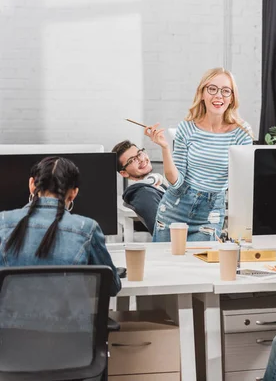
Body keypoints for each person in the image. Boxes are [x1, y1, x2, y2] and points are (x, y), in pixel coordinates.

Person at [145, 67, 253, 242]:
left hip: (210, 213)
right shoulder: (186, 128)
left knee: (201, 267)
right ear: (202, 93)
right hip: (175, 207)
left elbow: (242, 185)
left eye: (226, 91)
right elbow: (176, 183)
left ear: (232, 98)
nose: (219, 96)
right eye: (212, 89)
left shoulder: (241, 133)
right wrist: (165, 148)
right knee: (164, 266)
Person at [0, 156, 121, 296]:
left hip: (10, 318)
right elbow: (111, 287)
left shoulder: (2, 222)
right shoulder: (88, 229)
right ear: (74, 193)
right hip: (69, 318)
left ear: (32, 184)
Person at [112, 140, 168, 234]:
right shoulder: (144, 194)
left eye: (139, 154)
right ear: (124, 173)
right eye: (132, 160)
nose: (141, 159)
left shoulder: (156, 186)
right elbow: (162, 232)